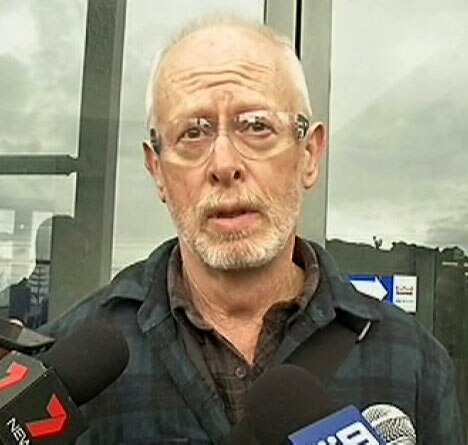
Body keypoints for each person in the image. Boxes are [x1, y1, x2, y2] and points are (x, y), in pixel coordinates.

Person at [44, 15, 463, 444]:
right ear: (157, 170)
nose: (225, 165)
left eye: (257, 126)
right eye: (193, 132)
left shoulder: (412, 364)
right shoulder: (63, 381)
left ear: (309, 154)